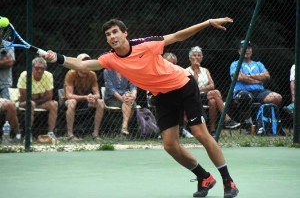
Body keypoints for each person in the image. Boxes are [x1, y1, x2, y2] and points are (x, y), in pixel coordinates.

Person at [44, 17, 239, 197]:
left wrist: (207, 22)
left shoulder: (146, 45)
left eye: (114, 32)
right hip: (162, 96)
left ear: (125, 33)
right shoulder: (110, 58)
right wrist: (58, 58)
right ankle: (204, 177)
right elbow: (83, 65)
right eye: (108, 34)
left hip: (183, 85)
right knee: (170, 145)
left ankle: (228, 182)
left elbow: (178, 36)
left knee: (200, 133)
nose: (112, 37)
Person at [186, 46, 240, 135]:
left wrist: (201, 89)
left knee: (212, 101)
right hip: (193, 96)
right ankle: (227, 119)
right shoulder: (186, 71)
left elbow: (212, 85)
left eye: (199, 55)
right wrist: (195, 70)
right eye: (194, 55)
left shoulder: (205, 70)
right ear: (190, 58)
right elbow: (193, 88)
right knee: (216, 92)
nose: (196, 57)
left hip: (206, 95)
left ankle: (213, 130)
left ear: (201, 58)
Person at [230, 40, 282, 128]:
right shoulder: (235, 64)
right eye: (244, 48)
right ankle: (248, 123)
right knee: (245, 97)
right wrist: (258, 80)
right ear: (239, 51)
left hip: (259, 91)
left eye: (249, 48)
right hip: (242, 91)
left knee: (277, 97)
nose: (247, 50)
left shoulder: (258, 64)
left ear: (252, 50)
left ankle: (264, 121)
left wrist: (248, 76)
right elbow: (240, 78)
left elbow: (267, 76)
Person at [62, 53, 105, 141]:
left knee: (100, 102)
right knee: (72, 102)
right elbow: (69, 95)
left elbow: (98, 94)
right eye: (82, 65)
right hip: (69, 101)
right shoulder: (71, 73)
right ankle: (70, 134)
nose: (84, 70)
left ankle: (95, 134)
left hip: (86, 101)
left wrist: (93, 97)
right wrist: (85, 97)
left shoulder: (92, 74)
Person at [17, 57, 58, 140]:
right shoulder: (25, 75)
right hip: (23, 103)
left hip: (40, 103)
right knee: (30, 103)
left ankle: (51, 133)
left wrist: (34, 96)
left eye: (42, 69)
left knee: (54, 104)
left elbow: (49, 95)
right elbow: (23, 95)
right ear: (32, 68)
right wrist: (40, 95)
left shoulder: (48, 75)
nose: (39, 71)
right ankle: (28, 134)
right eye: (37, 68)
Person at [162, 52, 194, 138]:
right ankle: (163, 130)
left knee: (185, 103)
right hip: (161, 98)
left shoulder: (180, 72)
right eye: (169, 63)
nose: (171, 65)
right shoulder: (158, 72)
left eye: (173, 63)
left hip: (178, 98)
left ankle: (181, 129)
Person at [104, 69, 137, 135]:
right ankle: (124, 127)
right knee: (128, 102)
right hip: (112, 98)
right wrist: (121, 98)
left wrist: (133, 96)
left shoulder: (128, 70)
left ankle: (123, 126)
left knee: (131, 102)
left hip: (124, 97)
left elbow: (133, 85)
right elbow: (110, 88)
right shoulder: (107, 71)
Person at [0, 26, 15, 99]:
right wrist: (3, 62)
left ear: (2, 32)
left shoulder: (9, 45)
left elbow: (10, 63)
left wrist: (3, 63)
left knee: (7, 106)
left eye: (0, 30)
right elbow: (6, 62)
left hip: (5, 85)